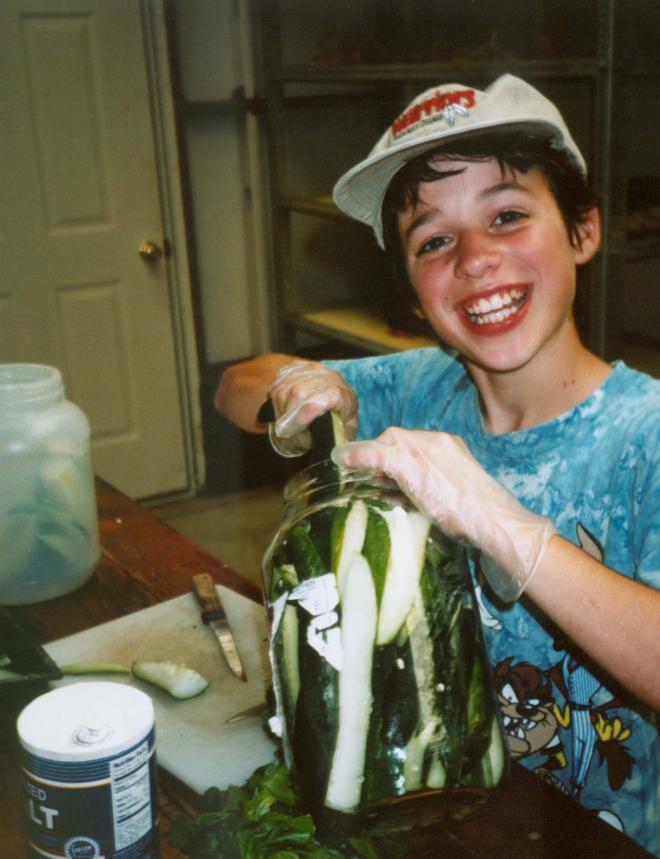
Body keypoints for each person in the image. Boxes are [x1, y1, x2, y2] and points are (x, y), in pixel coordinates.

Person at [216, 74, 660, 854]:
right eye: (434, 241)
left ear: (584, 231)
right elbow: (232, 384)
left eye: (508, 215)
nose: (477, 258)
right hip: (446, 819)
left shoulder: (645, 434)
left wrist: (503, 526)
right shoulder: (417, 387)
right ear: (417, 297)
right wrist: (292, 383)